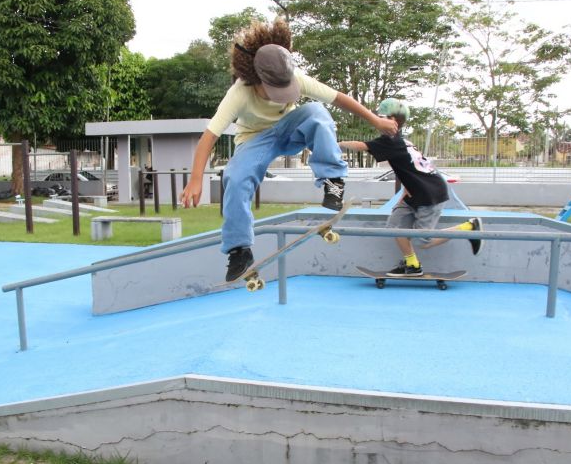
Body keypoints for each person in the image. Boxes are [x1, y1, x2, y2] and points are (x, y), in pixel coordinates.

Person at [179, 18, 398, 281]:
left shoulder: (296, 78)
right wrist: (195, 179)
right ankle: (239, 249)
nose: (281, 96)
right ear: (256, 79)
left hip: (290, 130)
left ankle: (333, 181)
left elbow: (340, 98)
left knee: (317, 112)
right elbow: (208, 137)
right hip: (254, 140)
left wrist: (376, 120)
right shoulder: (239, 93)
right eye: (274, 92)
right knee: (234, 179)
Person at [338, 98, 483, 277]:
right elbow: (410, 170)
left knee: (424, 240)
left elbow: (361, 146)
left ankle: (469, 228)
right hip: (413, 193)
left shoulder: (391, 141)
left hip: (430, 195)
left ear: (393, 121)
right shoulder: (401, 141)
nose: (378, 121)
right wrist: (404, 194)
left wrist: (337, 145)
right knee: (394, 227)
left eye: (382, 118)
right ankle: (412, 264)